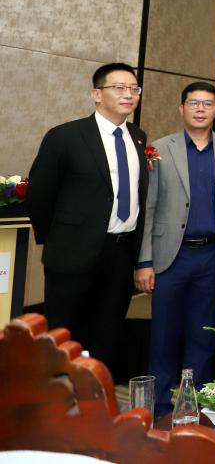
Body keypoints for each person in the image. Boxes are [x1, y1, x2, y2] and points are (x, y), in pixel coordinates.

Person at [28, 62, 149, 373]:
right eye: (119, 88)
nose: (128, 94)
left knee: (107, 332)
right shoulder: (65, 136)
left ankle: (97, 395)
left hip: (120, 253)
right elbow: (40, 195)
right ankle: (59, 396)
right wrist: (57, 240)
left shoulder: (137, 136)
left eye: (133, 89)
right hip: (72, 253)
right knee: (64, 335)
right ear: (96, 94)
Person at [135, 82, 215, 416]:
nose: (200, 109)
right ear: (181, 108)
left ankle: (195, 403)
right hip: (170, 256)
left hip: (212, 256)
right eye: (193, 103)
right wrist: (144, 261)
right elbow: (149, 206)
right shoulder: (158, 148)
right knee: (163, 333)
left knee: (203, 334)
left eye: (207, 103)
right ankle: (159, 406)